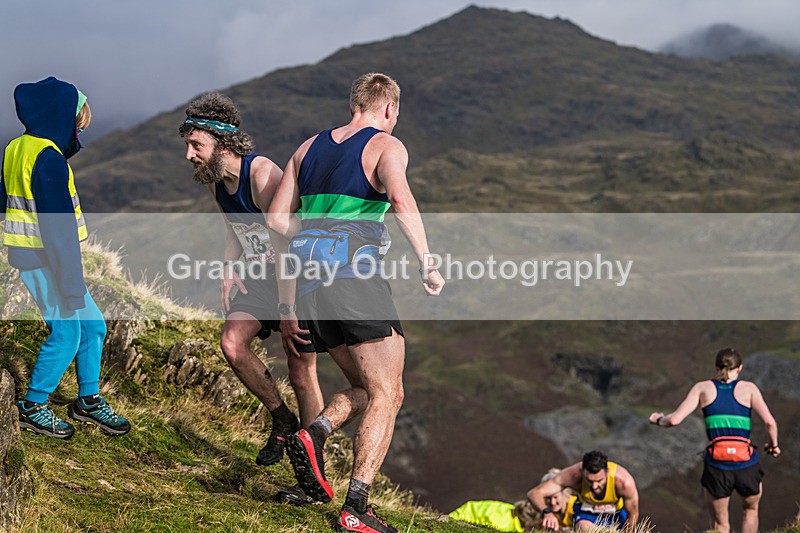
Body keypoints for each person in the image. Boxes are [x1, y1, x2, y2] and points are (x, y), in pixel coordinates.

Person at [267, 72, 444, 533]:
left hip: (310, 287)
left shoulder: (307, 149)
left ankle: (315, 432)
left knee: (367, 389)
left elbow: (274, 220)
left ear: (354, 104)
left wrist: (288, 306)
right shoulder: (387, 146)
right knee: (391, 393)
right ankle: (356, 508)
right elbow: (401, 200)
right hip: (355, 279)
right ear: (389, 108)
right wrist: (427, 261)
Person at [179, 92, 323, 466]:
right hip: (260, 278)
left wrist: (288, 310)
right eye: (188, 145)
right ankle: (282, 418)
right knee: (231, 343)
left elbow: (287, 242)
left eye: (196, 145)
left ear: (223, 143)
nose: (189, 155)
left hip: (295, 277)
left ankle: (310, 462)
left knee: (300, 368)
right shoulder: (214, 181)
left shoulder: (262, 176)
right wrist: (229, 270)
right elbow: (234, 230)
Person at [1, 77, 130, 438]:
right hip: (46, 262)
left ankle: (87, 400)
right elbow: (58, 233)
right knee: (68, 332)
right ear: (61, 118)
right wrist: (72, 287)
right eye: (78, 124)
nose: (79, 133)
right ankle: (31, 405)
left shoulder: (18, 148)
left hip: (43, 258)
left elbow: (5, 195)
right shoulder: (49, 161)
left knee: (94, 326)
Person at [649, 347, 780, 533]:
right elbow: (769, 423)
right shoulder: (749, 389)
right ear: (740, 368)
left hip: (718, 466)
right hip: (746, 464)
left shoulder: (702, 388)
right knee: (750, 511)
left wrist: (657, 420)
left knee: (720, 525)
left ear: (715, 367)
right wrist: (773, 446)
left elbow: (675, 420)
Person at [528, 451, 639, 531]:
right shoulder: (573, 475)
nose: (594, 486)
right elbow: (534, 493)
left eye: (599, 481)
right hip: (587, 514)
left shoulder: (623, 482)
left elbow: (633, 513)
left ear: (607, 473)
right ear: (582, 472)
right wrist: (547, 512)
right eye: (589, 480)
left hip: (615, 515)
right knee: (583, 527)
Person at [448, 470, 575, 532]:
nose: (552, 502)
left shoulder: (576, 508)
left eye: (555, 497)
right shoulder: (548, 513)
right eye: (548, 499)